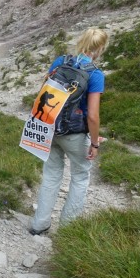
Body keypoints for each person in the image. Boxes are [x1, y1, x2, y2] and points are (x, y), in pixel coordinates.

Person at [29, 28, 108, 236]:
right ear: (100, 48)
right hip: (75, 133)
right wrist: (94, 142)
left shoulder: (60, 62)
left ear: (81, 41)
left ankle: (39, 224)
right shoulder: (95, 74)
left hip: (50, 128)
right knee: (80, 176)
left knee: (51, 174)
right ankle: (67, 231)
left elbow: (43, 92)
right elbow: (92, 115)